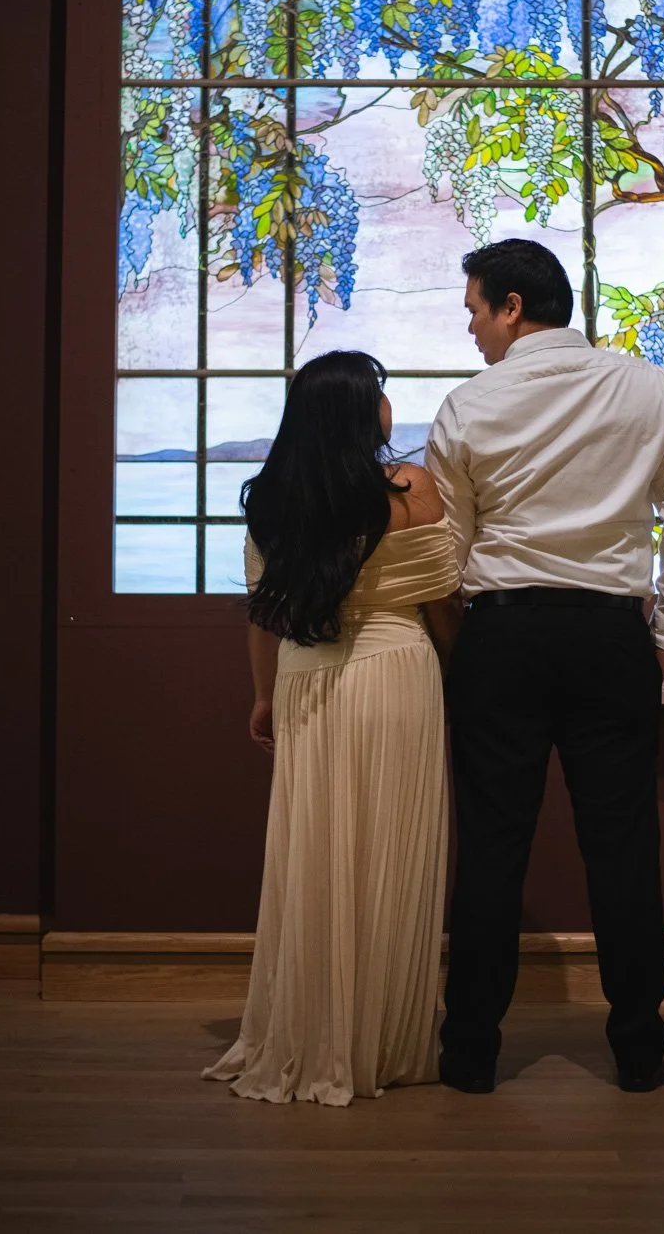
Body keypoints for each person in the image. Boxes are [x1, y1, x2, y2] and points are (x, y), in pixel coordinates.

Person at [426, 239, 664, 1095]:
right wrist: (662, 636)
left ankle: (470, 1053)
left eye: (477, 307)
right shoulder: (646, 386)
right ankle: (639, 1051)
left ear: (514, 307)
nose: (471, 324)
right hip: (609, 636)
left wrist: (463, 649)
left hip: (502, 634)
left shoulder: (468, 405)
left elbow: (450, 553)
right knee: (624, 847)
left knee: (489, 849)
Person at [203, 350, 463, 1106]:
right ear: (359, 410)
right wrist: (459, 670)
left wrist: (261, 698)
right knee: (391, 851)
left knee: (315, 853)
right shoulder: (411, 489)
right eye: (380, 393)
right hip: (397, 674)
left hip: (303, 678)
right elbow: (442, 600)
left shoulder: (275, 500)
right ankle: (384, 1038)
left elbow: (265, 614)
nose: (389, 406)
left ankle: (311, 1027)